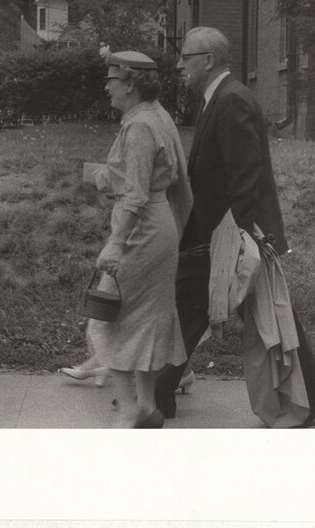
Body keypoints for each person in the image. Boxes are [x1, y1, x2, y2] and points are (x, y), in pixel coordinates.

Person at [154, 26, 315, 424]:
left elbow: (245, 176)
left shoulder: (231, 101)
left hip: (231, 235)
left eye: (186, 57)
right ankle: (159, 393)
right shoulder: (219, 98)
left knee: (253, 314)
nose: (180, 65)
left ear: (209, 60)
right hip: (224, 233)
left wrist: (231, 243)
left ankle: (157, 394)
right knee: (231, 311)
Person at [87, 50, 192, 428]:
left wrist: (115, 243)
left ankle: (130, 407)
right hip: (159, 225)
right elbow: (162, 176)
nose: (107, 88)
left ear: (130, 85)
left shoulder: (138, 127)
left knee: (108, 317)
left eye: (112, 81)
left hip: (140, 229)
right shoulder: (157, 116)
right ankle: (147, 407)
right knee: (146, 318)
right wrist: (105, 177)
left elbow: (135, 193)